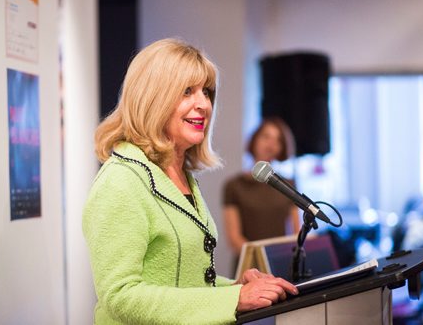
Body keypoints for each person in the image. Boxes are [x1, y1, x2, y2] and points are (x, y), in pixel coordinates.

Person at [83, 38, 298, 325]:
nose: (204, 105)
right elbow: (120, 295)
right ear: (152, 97)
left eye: (206, 92)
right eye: (187, 91)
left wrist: (235, 288)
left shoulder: (180, 175)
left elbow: (182, 281)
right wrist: (233, 299)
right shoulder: (120, 181)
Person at [223, 118, 301, 271]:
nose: (271, 144)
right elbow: (234, 238)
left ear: (282, 148)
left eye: (277, 140)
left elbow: (296, 231)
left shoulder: (288, 186)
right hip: (248, 268)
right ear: (254, 140)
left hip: (281, 265)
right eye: (266, 137)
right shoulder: (234, 186)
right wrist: (261, 262)